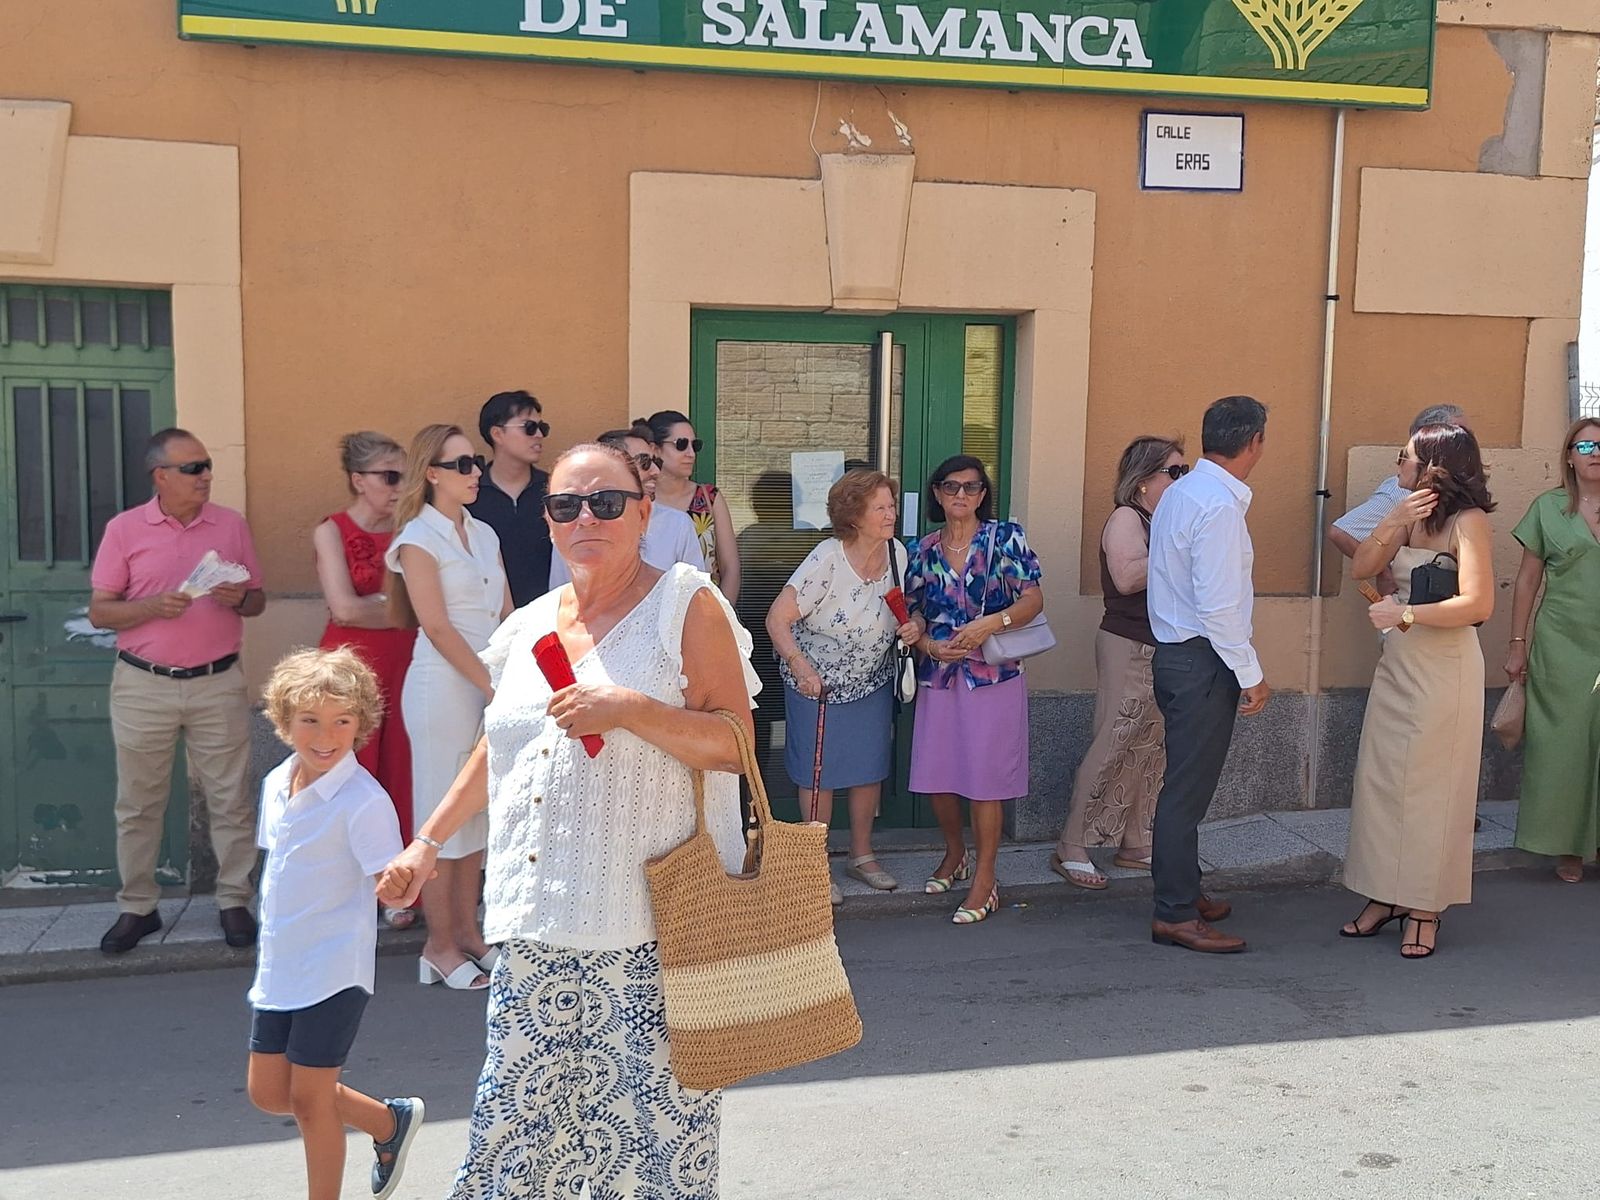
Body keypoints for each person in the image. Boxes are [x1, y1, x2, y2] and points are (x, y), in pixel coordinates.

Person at [375, 442, 758, 1200]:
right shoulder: (529, 624)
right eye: (566, 505)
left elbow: (735, 745)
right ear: (549, 522)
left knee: (656, 1144)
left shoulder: (686, 603)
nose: (586, 517)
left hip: (654, 926)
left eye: (607, 502)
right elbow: (499, 745)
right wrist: (427, 844)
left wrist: (633, 709)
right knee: (514, 1139)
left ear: (645, 513)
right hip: (535, 922)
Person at [246, 647, 423, 1200]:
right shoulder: (277, 782)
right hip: (280, 965)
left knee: (310, 1101)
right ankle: (387, 1122)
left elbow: (394, 885)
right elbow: (279, 865)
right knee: (269, 1092)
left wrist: (400, 887)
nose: (326, 736)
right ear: (283, 723)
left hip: (333, 968)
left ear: (361, 725)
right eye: (311, 721)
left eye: (342, 722)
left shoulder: (363, 801)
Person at [89, 428, 266, 955]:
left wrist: (240, 597)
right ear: (160, 476)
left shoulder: (230, 525)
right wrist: (150, 607)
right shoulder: (124, 530)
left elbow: (258, 600)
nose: (205, 475)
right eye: (192, 468)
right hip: (144, 683)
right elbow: (101, 611)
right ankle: (137, 908)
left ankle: (235, 901)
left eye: (207, 465)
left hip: (217, 681)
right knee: (139, 804)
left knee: (231, 799)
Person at [1343, 424, 1496, 958]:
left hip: (1445, 668)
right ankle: (1385, 896)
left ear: (1434, 466)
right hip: (1400, 663)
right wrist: (1393, 519)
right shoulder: (1408, 515)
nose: (1397, 467)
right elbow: (1362, 566)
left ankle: (1425, 907)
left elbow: (1479, 606)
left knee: (1434, 790)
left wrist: (1404, 612)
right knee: (1384, 782)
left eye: (1404, 458)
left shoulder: (1469, 522)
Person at [385, 424, 512, 990]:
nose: (474, 472)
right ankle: (437, 945)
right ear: (431, 472)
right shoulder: (418, 538)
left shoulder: (483, 532)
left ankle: (467, 934)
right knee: (440, 821)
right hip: (443, 688)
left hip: (489, 684)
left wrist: (512, 677)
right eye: (461, 464)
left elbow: (507, 613)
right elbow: (434, 625)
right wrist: (490, 683)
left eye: (475, 463)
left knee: (475, 818)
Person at [1146, 396, 1272, 955]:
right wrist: (1252, 674)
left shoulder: (1182, 492)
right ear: (1254, 443)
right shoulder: (1217, 505)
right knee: (1186, 795)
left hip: (1180, 655)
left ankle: (1185, 892)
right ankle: (1174, 912)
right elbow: (1219, 606)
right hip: (1202, 659)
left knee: (1183, 787)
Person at [766, 469, 923, 904]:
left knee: (868, 767)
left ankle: (862, 854)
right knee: (819, 774)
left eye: (891, 506)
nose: (891, 514)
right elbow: (777, 619)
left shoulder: (898, 554)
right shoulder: (827, 559)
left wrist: (915, 627)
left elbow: (908, 610)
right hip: (817, 681)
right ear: (854, 516)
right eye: (881, 508)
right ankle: (816, 863)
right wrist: (800, 667)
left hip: (870, 678)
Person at [906, 455, 1045, 925]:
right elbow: (916, 610)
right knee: (938, 774)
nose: (961, 495)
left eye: (971, 487)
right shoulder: (922, 549)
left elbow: (1033, 598)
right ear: (938, 494)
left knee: (986, 780)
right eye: (951, 487)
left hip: (993, 675)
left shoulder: (1005, 537)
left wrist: (991, 623)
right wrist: (926, 642)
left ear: (983, 494)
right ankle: (955, 853)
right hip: (940, 673)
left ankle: (986, 878)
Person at [1051, 436, 1188, 890]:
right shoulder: (1127, 518)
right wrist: (1179, 551)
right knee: (1114, 740)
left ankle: (1135, 840)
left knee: (1151, 748)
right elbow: (1128, 578)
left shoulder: (1162, 520)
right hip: (1128, 644)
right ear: (1144, 480)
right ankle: (1072, 845)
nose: (1181, 479)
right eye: (1174, 472)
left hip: (1162, 646)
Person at [313, 431, 419, 928]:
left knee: (402, 772)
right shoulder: (330, 530)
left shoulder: (413, 529)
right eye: (389, 477)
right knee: (348, 774)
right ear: (359, 480)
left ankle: (394, 887)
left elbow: (422, 608)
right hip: (350, 670)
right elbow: (344, 608)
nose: (400, 488)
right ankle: (342, 885)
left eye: (405, 476)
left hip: (406, 663)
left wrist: (384, 610)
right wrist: (395, 609)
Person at [1505, 417, 1600, 883]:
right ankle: (1568, 849)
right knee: (1563, 746)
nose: (1595, 452)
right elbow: (1527, 580)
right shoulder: (1547, 508)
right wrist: (1517, 644)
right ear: (1569, 455)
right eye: (1585, 445)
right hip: (1564, 642)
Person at [1328, 404, 1468, 593]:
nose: (1467, 443)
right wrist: (1385, 571)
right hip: (1403, 614)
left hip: (1431, 616)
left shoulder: (1468, 515)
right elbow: (1342, 535)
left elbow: (1476, 604)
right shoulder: (1401, 495)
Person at [544, 425, 704, 587]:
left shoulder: (678, 524)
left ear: (644, 514)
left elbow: (697, 595)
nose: (656, 471)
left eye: (656, 462)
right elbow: (560, 591)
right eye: (644, 462)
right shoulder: (573, 525)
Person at [468, 389, 552, 607]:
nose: (539, 435)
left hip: (549, 620)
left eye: (541, 428)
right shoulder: (471, 494)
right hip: (488, 622)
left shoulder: (554, 490)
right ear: (497, 434)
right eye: (529, 427)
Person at [647, 409, 741, 603]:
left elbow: (730, 567)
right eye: (681, 445)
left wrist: (721, 617)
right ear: (655, 449)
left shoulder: (709, 498)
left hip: (703, 612)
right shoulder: (642, 502)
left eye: (694, 445)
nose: (690, 453)